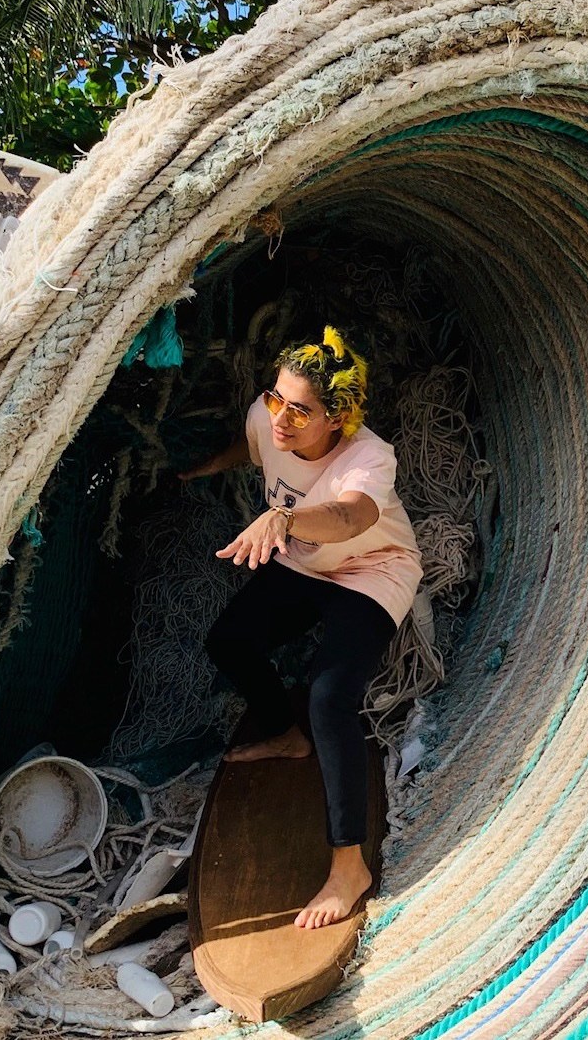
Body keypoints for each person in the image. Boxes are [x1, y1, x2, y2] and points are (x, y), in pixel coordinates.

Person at [179, 325, 422, 930]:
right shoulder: (267, 421)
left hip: (372, 569)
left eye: (300, 410)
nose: (281, 419)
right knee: (228, 641)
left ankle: (349, 867)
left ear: (336, 419)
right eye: (276, 399)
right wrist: (205, 466)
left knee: (329, 697)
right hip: (305, 562)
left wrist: (283, 518)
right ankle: (287, 736)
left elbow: (352, 515)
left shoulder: (370, 456)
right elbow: (251, 448)